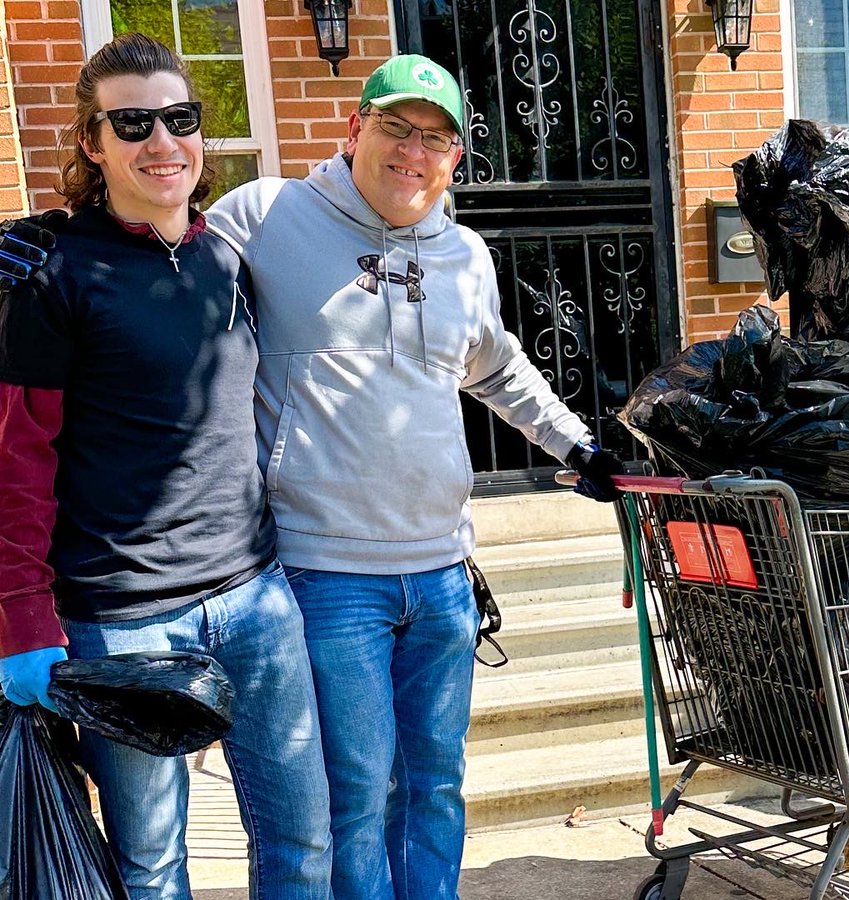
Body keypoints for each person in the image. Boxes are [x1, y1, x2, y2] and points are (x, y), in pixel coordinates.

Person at [202, 55, 621, 898]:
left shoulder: (464, 255)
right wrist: (65, 242)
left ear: (455, 159)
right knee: (357, 798)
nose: (412, 151)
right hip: (327, 575)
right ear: (353, 128)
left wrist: (579, 448)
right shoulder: (266, 215)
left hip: (440, 578)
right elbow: (160, 249)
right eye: (395, 127)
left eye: (435, 138)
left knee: (434, 788)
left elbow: (499, 370)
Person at [0, 33, 333, 899]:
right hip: (123, 623)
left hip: (257, 598)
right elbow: (16, 460)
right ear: (91, 141)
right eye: (133, 122)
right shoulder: (49, 273)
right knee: (152, 866)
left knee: (303, 840)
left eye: (178, 118)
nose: (161, 141)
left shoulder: (225, 257)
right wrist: (22, 619)